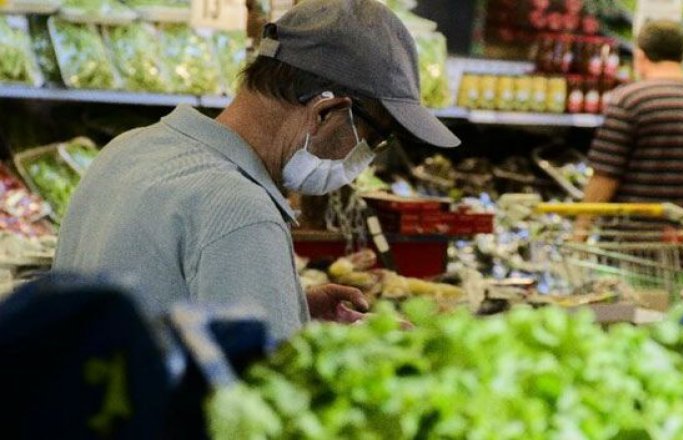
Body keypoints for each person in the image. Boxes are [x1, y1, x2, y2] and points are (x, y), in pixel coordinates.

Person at [53, 0, 461, 340]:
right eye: (375, 138)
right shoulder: (241, 209)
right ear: (326, 113)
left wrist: (291, 310)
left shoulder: (129, 149)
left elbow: (157, 302)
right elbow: (262, 405)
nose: (367, 155)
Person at [574, 20, 683, 239]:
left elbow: (605, 175)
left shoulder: (629, 101)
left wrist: (581, 232)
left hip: (631, 245)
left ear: (640, 56)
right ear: (682, 56)